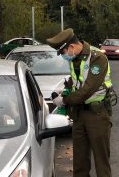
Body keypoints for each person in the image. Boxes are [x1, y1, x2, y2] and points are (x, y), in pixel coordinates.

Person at [47, 28, 113, 177]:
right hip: (78, 115)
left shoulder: (97, 58)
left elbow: (88, 89)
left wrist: (64, 101)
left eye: (62, 52)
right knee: (79, 165)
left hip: (97, 115)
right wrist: (64, 91)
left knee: (101, 164)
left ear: (71, 47)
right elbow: (75, 81)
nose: (63, 56)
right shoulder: (75, 59)